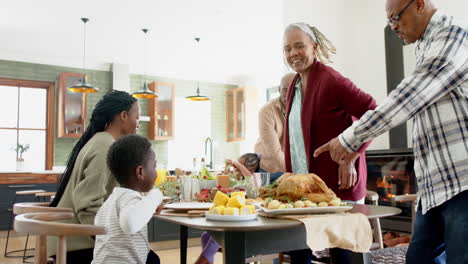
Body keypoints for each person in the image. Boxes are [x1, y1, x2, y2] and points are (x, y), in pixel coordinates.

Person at [314, 0, 467, 263]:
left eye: (395, 18)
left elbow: (409, 96)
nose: (393, 27)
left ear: (419, 4)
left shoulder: (453, 36)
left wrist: (350, 138)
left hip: (463, 183)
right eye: (390, 21)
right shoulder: (425, 45)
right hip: (435, 189)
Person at [282, 22, 377, 264]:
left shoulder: (331, 79)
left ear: (314, 47)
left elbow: (372, 112)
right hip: (305, 188)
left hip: (337, 182)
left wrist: (352, 155)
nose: (293, 53)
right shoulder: (295, 83)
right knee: (298, 247)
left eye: (299, 46)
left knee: (342, 251)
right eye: (287, 49)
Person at [48, 90, 140, 263]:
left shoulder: (101, 141)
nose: (138, 123)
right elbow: (88, 206)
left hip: (70, 242)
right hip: (73, 247)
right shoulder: (104, 146)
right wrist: (115, 241)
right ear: (123, 116)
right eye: (137, 117)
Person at [92, 134, 163, 264]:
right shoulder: (130, 198)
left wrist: (148, 205)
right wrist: (156, 196)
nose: (156, 172)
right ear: (140, 172)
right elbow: (129, 223)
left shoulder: (111, 201)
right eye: (154, 166)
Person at [254, 72, 295, 172]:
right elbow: (274, 152)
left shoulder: (303, 109)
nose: (289, 94)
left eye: (293, 89)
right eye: (285, 90)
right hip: (268, 168)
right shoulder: (267, 111)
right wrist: (293, 174)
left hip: (290, 167)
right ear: (279, 90)